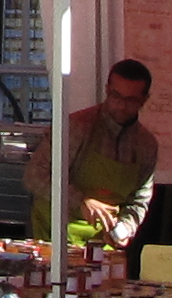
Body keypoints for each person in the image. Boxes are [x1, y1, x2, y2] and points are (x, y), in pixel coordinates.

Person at [23, 60, 160, 251]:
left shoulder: (146, 145)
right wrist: (81, 202)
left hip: (104, 244)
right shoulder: (77, 127)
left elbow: (139, 200)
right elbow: (34, 176)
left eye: (131, 100)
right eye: (115, 96)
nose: (121, 106)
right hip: (54, 236)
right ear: (107, 90)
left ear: (144, 100)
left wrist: (126, 227)